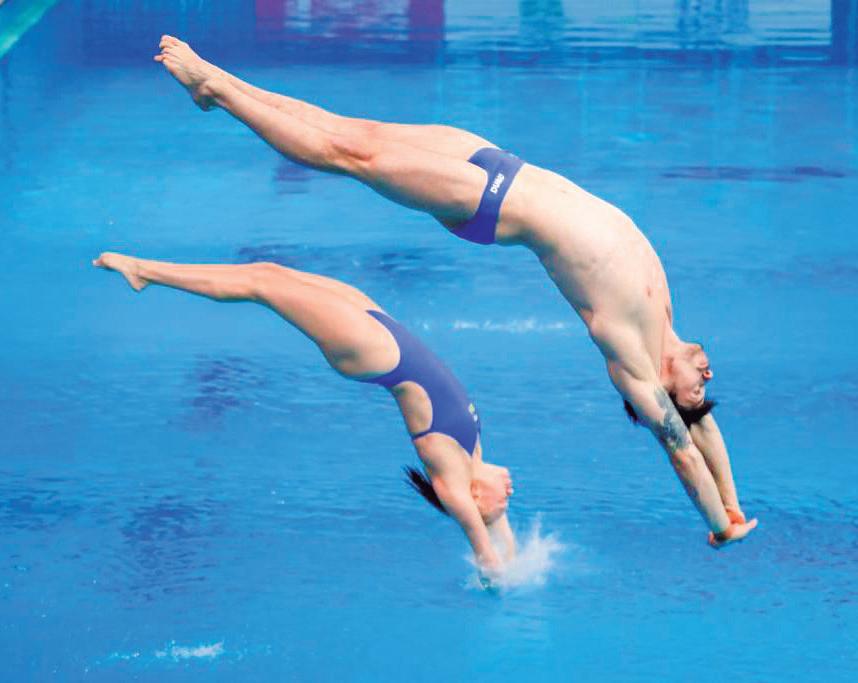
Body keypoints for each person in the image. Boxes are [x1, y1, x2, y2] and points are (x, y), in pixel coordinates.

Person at [152, 36, 758, 548]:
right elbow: (705, 431)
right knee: (353, 131)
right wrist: (733, 502)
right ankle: (219, 84)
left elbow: (684, 447)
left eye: (698, 390)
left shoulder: (633, 366)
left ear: (666, 396)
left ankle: (216, 89)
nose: (707, 376)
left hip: (488, 203)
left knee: (350, 155)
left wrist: (717, 525)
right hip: (499, 163)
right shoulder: (664, 318)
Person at [93, 252, 516, 573]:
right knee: (268, 271)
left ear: (476, 499)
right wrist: (511, 551)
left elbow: (484, 549)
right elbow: (502, 536)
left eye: (500, 505)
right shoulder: (473, 458)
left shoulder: (453, 481)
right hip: (384, 331)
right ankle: (145, 270)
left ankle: (143, 271)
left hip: (373, 351)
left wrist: (497, 578)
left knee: (260, 285)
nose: (510, 495)